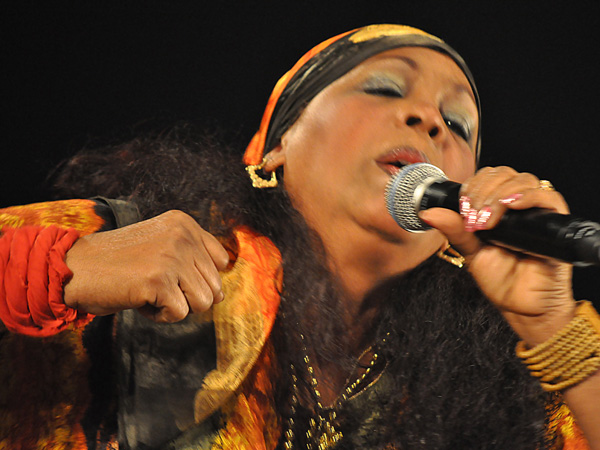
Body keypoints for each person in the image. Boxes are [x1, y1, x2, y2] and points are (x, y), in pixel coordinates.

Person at [0, 24, 599, 450]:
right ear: (272, 147)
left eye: (460, 124)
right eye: (386, 88)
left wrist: (551, 322)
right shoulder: (134, 248)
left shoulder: (493, 393)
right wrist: (49, 268)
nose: (431, 120)